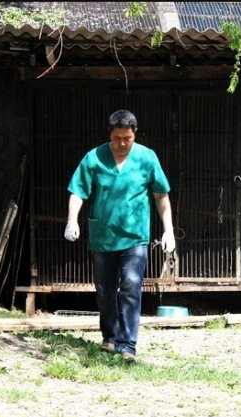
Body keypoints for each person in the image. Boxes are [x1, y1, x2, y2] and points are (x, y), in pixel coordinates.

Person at [64, 109, 175, 363]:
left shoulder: (147, 158)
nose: (122, 143)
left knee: (131, 287)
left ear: (134, 134)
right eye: (117, 138)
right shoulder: (94, 158)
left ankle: (127, 344)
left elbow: (161, 195)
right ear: (110, 135)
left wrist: (168, 229)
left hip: (135, 236)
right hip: (103, 236)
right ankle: (110, 336)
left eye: (127, 138)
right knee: (104, 290)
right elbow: (78, 191)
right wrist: (72, 220)